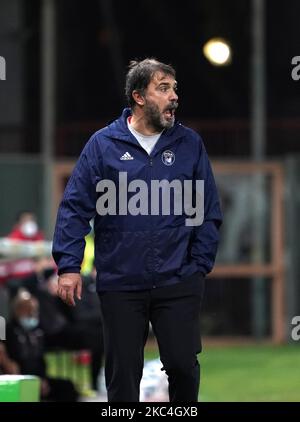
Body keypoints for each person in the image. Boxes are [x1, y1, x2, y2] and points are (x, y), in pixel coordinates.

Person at [52, 58, 223, 402]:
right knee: (122, 375)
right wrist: (69, 266)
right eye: (163, 88)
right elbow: (74, 208)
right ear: (138, 97)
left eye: (174, 88)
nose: (174, 96)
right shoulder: (102, 145)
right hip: (121, 283)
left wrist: (198, 266)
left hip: (178, 280)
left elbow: (207, 211)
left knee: (182, 365)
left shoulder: (189, 144)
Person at [5, 289, 79, 402]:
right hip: (16, 377)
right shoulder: (8, 330)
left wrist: (42, 379)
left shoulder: (38, 330)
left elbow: (40, 359)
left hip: (39, 377)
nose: (30, 313)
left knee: (67, 387)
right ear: (17, 310)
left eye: (33, 310)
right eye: (26, 309)